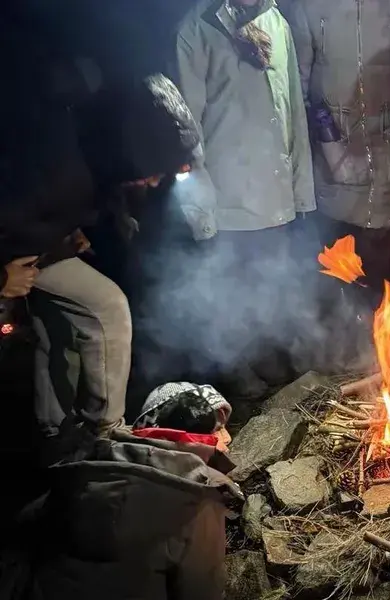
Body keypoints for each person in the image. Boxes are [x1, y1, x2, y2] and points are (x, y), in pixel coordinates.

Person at [0, 23, 200, 441]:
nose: (153, 181)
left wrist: (69, 233)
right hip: (15, 255)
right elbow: (26, 206)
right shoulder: (47, 158)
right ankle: (105, 431)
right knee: (107, 309)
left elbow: (71, 201)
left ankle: (56, 432)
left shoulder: (95, 147)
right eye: (153, 171)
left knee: (58, 332)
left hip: (40, 247)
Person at [172, 0, 316, 398]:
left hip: (275, 194)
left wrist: (300, 193)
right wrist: (200, 212)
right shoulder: (197, 29)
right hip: (229, 197)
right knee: (230, 289)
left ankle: (264, 352)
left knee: (269, 283)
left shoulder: (276, 22)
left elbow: (293, 115)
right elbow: (188, 132)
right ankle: (233, 365)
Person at [16, 383, 241, 600]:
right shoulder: (195, 499)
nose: (227, 438)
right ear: (189, 434)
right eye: (218, 428)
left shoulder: (85, 470)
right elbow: (201, 591)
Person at [286, 0, 390, 295]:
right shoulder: (309, 7)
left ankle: (377, 327)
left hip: (387, 151)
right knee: (332, 261)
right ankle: (335, 329)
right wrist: (318, 132)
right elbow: (297, 83)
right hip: (331, 150)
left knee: (380, 262)